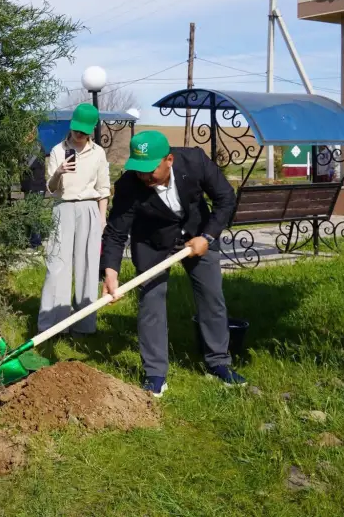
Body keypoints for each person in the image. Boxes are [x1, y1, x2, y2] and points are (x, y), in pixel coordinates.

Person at [100, 131, 244, 398]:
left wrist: (207, 236)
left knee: (212, 297)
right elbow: (116, 232)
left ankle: (218, 363)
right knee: (151, 302)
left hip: (198, 234)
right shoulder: (129, 185)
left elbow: (226, 199)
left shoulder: (195, 162)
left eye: (149, 170)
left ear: (169, 159)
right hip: (152, 242)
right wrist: (110, 272)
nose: (143, 177)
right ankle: (155, 374)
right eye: (138, 170)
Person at [38, 104, 110, 335]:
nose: (79, 135)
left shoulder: (98, 153)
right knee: (57, 266)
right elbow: (50, 188)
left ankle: (84, 326)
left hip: (90, 210)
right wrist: (59, 172)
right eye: (77, 130)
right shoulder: (59, 150)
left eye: (84, 131)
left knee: (88, 267)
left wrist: (102, 219)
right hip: (63, 208)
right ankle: (52, 326)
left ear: (92, 130)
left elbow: (103, 188)